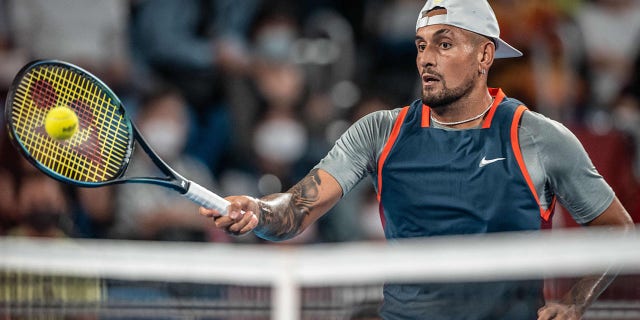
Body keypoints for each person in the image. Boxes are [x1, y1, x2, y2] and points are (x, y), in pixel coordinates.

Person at [200, 1, 635, 319]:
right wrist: (258, 211)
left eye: (445, 44)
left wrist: (575, 301)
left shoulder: (538, 137)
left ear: (485, 55)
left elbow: (616, 231)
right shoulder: (379, 132)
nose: (426, 58)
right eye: (421, 45)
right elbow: (295, 209)